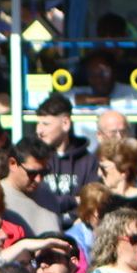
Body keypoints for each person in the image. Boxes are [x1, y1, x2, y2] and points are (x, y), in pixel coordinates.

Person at [33, 94, 99, 222]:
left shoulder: (88, 162)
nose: (39, 130)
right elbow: (34, 201)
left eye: (45, 124)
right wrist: (72, 200)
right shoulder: (34, 159)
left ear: (65, 123)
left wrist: (72, 219)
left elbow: (91, 202)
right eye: (38, 123)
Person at [2, 139, 63, 234]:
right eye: (32, 173)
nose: (38, 179)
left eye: (43, 172)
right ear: (12, 164)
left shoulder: (48, 195)